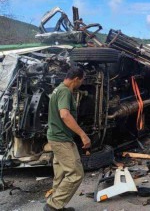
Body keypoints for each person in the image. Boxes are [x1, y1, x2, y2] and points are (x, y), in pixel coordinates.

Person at [44, 67, 91, 211]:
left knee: (61, 173)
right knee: (76, 174)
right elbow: (64, 115)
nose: (81, 83)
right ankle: (52, 206)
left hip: (55, 137)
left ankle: (57, 205)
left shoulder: (58, 89)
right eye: (82, 80)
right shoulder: (65, 91)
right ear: (76, 79)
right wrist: (83, 135)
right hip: (61, 139)